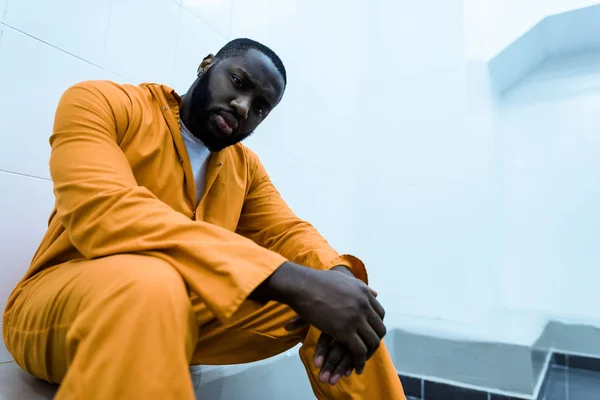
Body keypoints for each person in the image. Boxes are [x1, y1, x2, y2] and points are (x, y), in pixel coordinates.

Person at [2, 38, 405, 400]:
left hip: (174, 313)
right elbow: (105, 212)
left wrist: (337, 275)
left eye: (260, 107)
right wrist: (286, 278)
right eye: (239, 82)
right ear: (207, 64)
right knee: (152, 282)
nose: (243, 107)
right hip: (60, 309)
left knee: (348, 307)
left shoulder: (243, 167)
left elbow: (287, 232)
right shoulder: (103, 103)